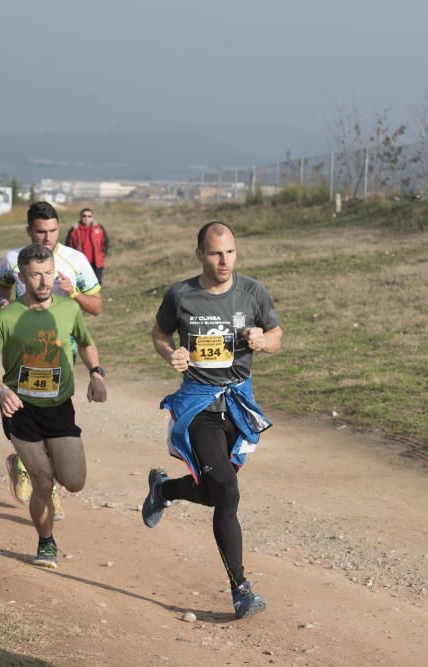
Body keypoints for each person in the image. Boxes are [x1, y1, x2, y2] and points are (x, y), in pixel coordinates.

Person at [141, 221, 283, 619]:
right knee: (227, 490)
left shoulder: (252, 291)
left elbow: (277, 336)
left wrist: (263, 342)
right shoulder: (181, 295)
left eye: (231, 252)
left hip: (238, 403)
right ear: (200, 253)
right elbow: (159, 333)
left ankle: (164, 491)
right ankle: (241, 589)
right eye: (216, 253)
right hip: (198, 405)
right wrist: (171, 354)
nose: (225, 261)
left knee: (217, 489)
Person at [0, 243, 107, 568]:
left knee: (74, 482)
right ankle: (46, 541)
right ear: (22, 277)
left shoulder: (69, 310)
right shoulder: (7, 316)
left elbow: (88, 344)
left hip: (60, 408)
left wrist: (96, 374)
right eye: (35, 275)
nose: (44, 281)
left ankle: (22, 461)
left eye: (48, 273)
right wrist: (1, 389)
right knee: (44, 482)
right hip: (21, 411)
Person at [0, 201, 103, 519]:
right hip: (23, 359)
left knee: (56, 436)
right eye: (40, 231)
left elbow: (96, 307)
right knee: (31, 426)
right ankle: (41, 482)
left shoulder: (75, 260)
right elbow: (0, 287)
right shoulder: (13, 260)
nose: (47, 237)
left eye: (53, 230)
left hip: (62, 360)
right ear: (29, 230)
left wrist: (74, 295)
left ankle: (30, 469)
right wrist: (3, 301)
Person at [65, 207, 109, 285]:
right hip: (81, 264)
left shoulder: (99, 228)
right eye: (84, 216)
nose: (86, 218)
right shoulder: (74, 230)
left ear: (92, 217)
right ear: (80, 217)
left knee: (96, 284)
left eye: (89, 216)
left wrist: (102, 255)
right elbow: (68, 246)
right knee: (83, 286)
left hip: (96, 262)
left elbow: (105, 242)